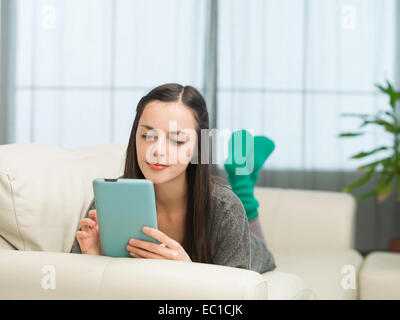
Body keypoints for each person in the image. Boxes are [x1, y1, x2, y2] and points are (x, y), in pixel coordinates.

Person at [70, 83, 276, 274]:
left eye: (177, 140)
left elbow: (236, 295)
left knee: (257, 241)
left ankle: (243, 186)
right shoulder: (110, 199)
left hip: (246, 242)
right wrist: (94, 262)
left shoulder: (225, 208)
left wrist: (188, 273)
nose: (157, 151)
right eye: (147, 136)